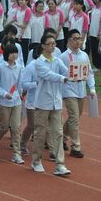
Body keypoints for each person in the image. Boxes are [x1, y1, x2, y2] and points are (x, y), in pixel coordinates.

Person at [31, 34, 71, 176]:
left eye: (54, 43)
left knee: (58, 133)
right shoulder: (39, 62)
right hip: (43, 103)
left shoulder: (56, 60)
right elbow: (48, 75)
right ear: (43, 46)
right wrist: (63, 78)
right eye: (50, 44)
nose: (53, 46)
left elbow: (66, 71)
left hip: (56, 102)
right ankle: (36, 160)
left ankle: (60, 164)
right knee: (40, 134)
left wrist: (75, 74)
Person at [59, 29, 96, 159]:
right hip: (68, 89)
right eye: (75, 38)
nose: (78, 41)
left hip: (81, 89)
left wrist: (92, 89)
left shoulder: (84, 55)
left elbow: (89, 72)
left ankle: (61, 137)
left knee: (76, 116)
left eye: (79, 38)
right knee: (74, 116)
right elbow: (59, 73)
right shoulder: (63, 56)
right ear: (69, 40)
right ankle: (76, 147)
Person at [0, 44, 24, 164]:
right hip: (3, 101)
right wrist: (4, 94)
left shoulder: (19, 67)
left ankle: (16, 153)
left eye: (15, 53)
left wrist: (20, 94)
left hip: (16, 100)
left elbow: (19, 84)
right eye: (11, 53)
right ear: (6, 55)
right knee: (4, 127)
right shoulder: (0, 67)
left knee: (16, 127)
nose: (14, 55)